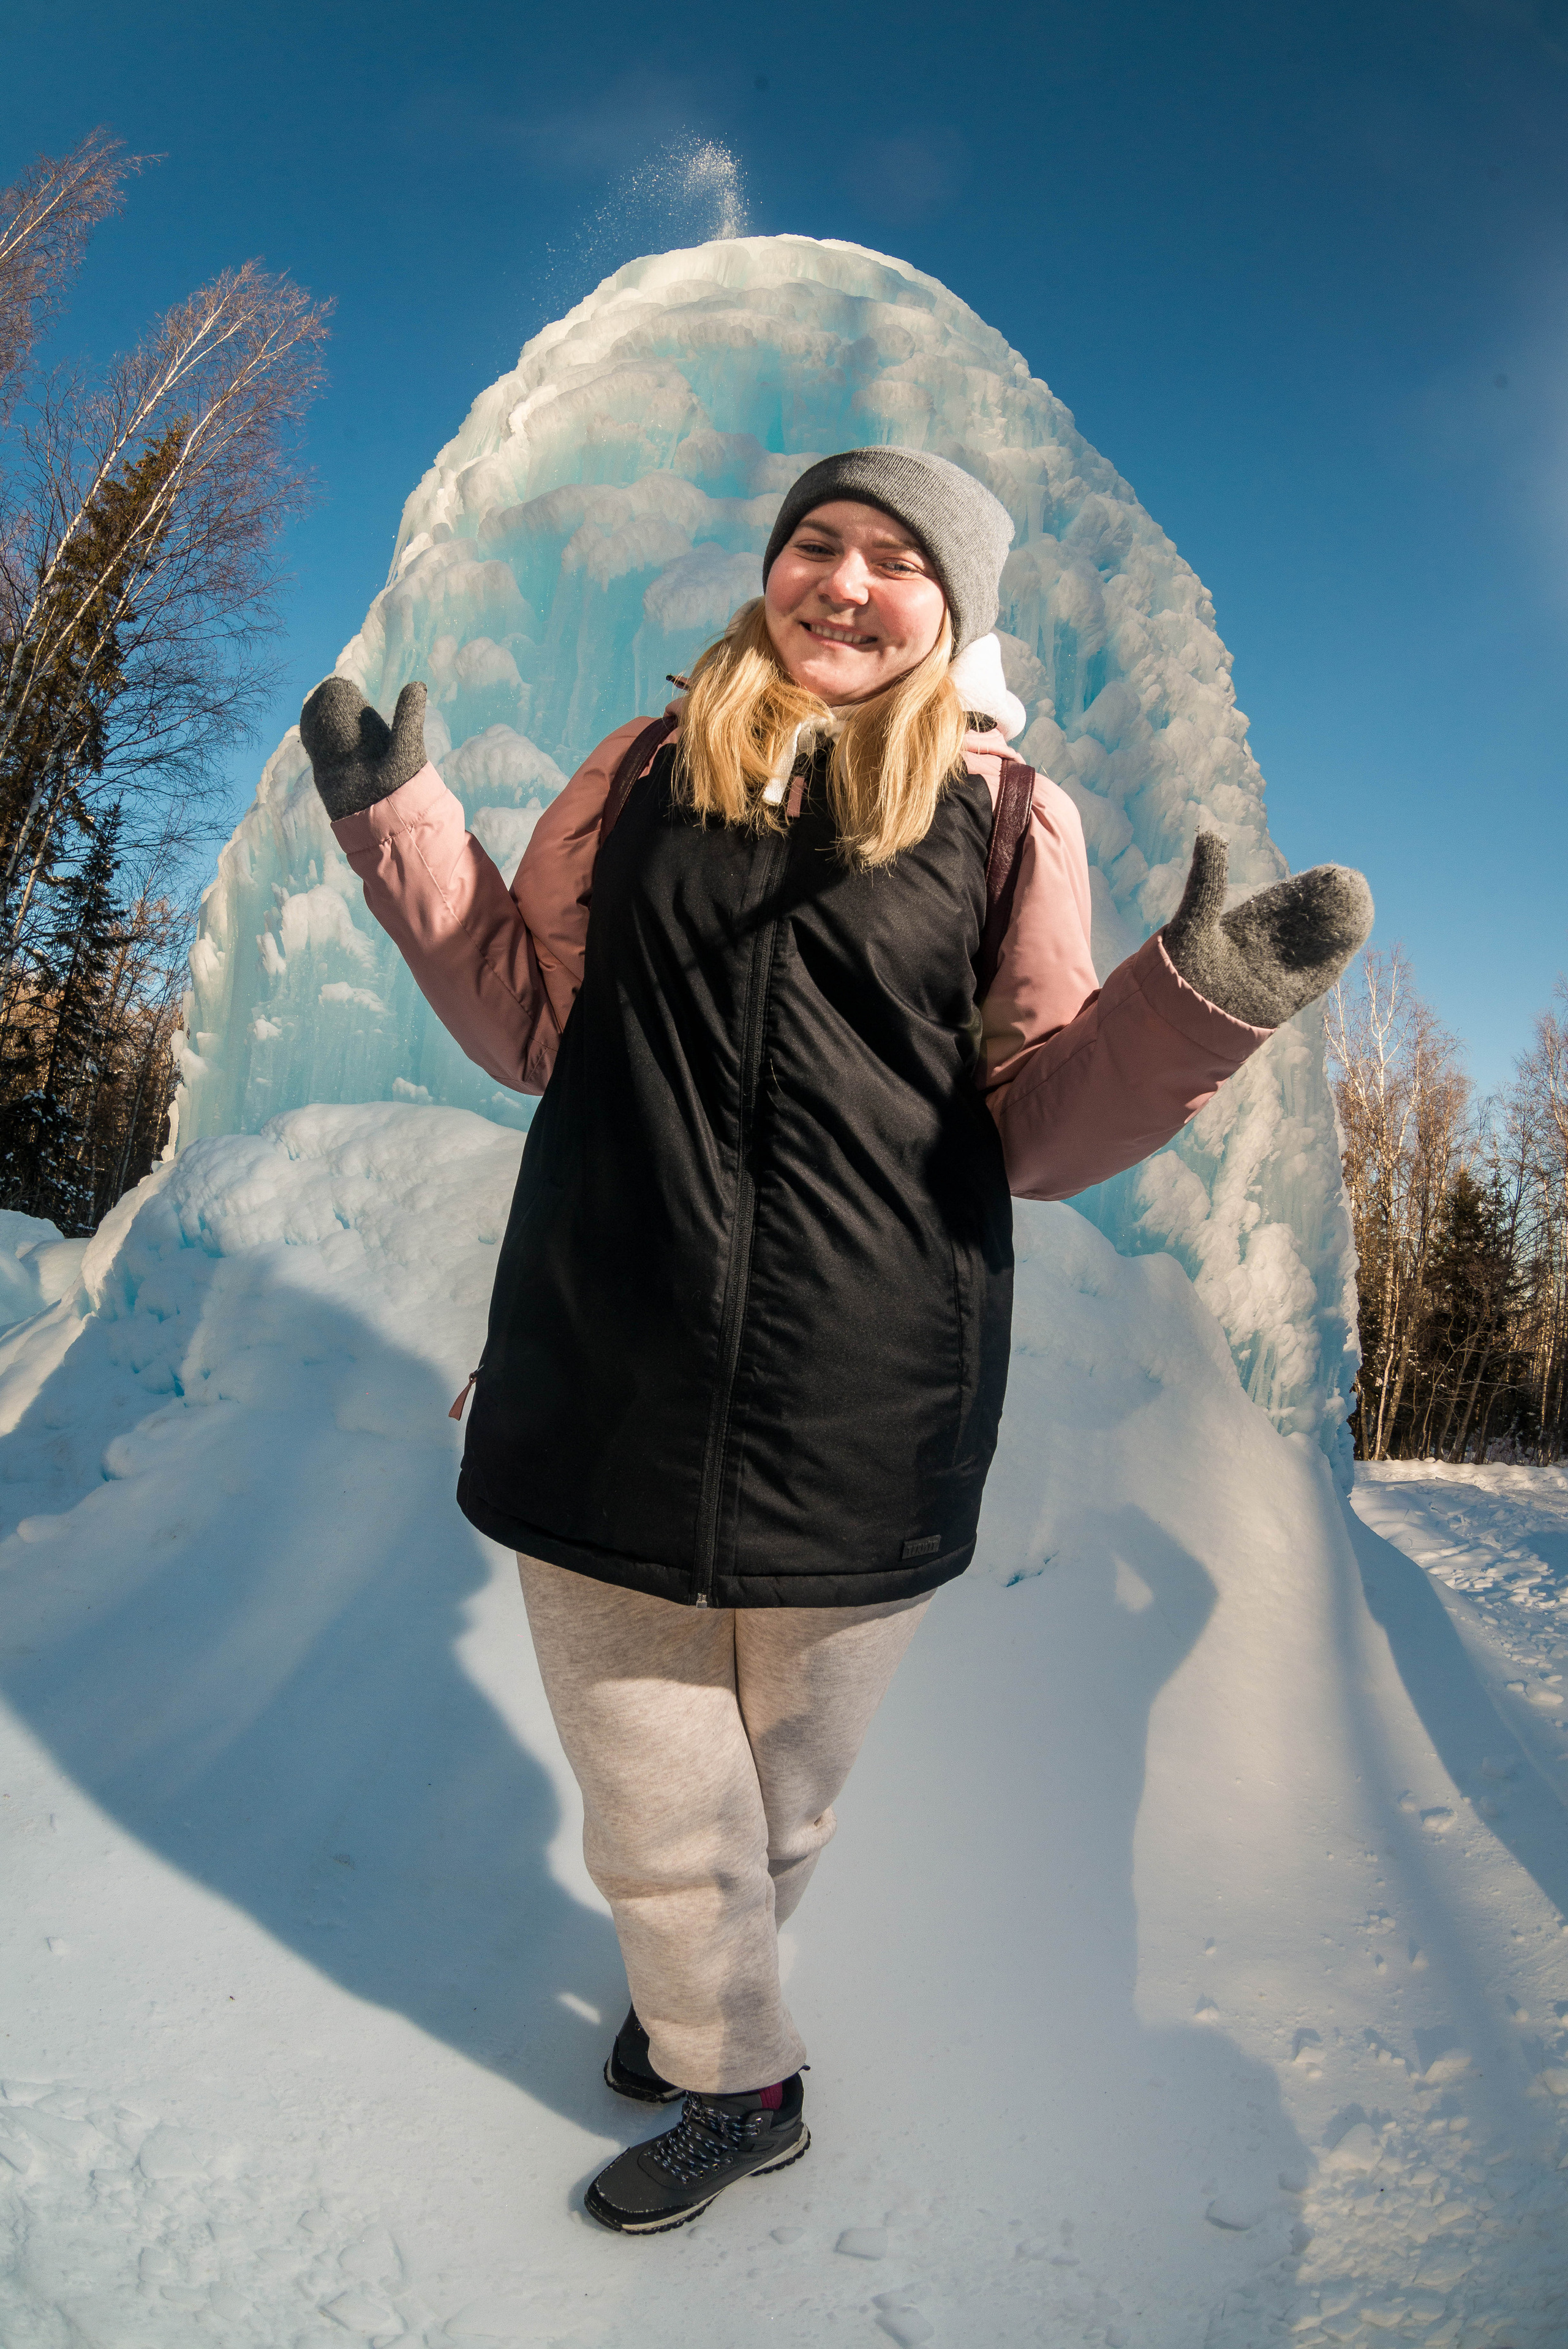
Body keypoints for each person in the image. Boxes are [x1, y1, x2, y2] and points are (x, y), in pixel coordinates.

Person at [300, 447, 1371, 2235]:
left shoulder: (1011, 817)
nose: (848, 582)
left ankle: (698, 1993)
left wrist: (1197, 1008)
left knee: (782, 1802)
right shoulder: (644, 768)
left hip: (869, 1388)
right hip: (605, 1350)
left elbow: (1036, 1124)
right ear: (773, 567)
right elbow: (531, 1019)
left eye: (896, 559)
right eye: (819, 543)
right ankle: (744, 2082)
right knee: (655, 1792)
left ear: (954, 609)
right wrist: (400, 827)